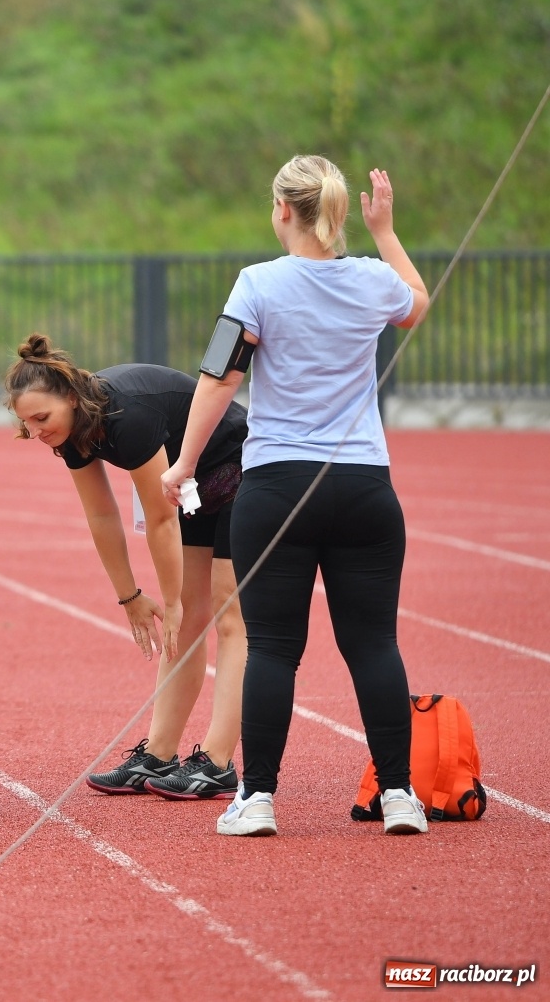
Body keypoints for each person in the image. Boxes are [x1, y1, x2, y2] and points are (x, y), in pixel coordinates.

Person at [162, 156, 432, 837]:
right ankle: (399, 793)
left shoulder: (257, 283)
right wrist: (387, 231)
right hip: (365, 486)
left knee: (275, 646)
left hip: (278, 486)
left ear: (283, 209)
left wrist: (184, 463)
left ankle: (257, 798)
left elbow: (220, 377)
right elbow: (416, 303)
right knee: (372, 642)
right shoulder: (373, 279)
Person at [5, 339, 249, 800]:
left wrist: (170, 600)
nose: (36, 432)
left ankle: (218, 761)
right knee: (189, 621)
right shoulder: (72, 433)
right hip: (192, 481)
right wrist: (132, 598)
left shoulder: (126, 415)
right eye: (26, 423)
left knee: (228, 613)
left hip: (242, 465)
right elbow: (101, 515)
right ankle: (158, 753)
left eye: (42, 419)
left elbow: (160, 517)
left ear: (71, 398)